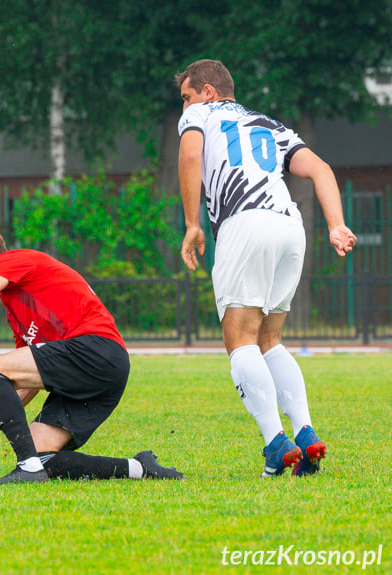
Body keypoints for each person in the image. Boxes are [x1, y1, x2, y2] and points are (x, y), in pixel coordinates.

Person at [175, 59, 357, 477]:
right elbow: (321, 169)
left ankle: (277, 444)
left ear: (207, 91)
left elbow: (189, 154)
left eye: (186, 97)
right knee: (269, 339)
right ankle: (305, 433)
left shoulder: (199, 115)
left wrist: (191, 224)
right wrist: (336, 225)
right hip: (289, 225)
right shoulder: (271, 125)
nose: (184, 107)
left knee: (239, 338)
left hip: (245, 223)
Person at [0, 220, 183, 484]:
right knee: (46, 459)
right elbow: (25, 383)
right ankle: (139, 468)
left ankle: (27, 469)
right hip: (100, 371)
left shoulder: (14, 260)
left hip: (97, 349)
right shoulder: (14, 306)